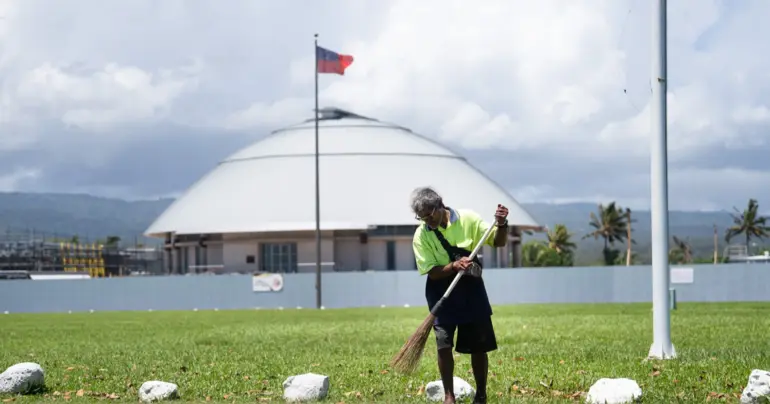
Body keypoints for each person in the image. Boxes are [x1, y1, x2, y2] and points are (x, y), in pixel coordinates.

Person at [410, 186, 509, 404]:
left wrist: (501, 224)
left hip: (471, 291)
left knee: (478, 345)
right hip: (441, 292)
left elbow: (498, 241)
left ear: (440, 204)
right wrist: (454, 265)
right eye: (422, 217)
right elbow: (432, 272)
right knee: (443, 343)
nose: (427, 220)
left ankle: (481, 394)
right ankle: (449, 396)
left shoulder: (469, 219)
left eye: (430, 214)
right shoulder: (421, 235)